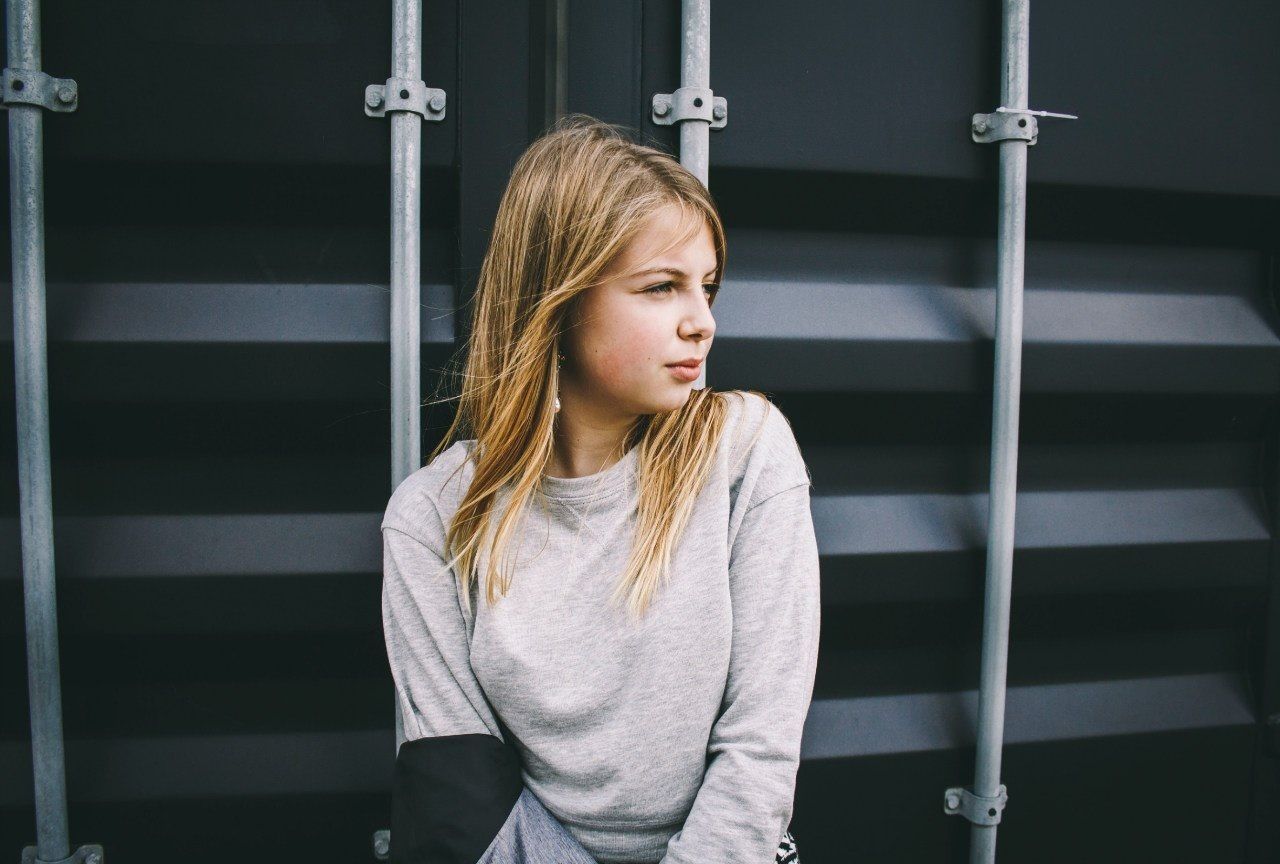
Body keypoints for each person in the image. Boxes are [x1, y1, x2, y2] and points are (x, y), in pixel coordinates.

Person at [381, 113, 819, 864]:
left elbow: (762, 748)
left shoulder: (744, 453)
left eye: (706, 287)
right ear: (560, 300)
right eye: (661, 288)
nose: (702, 323)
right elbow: (464, 794)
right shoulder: (434, 516)